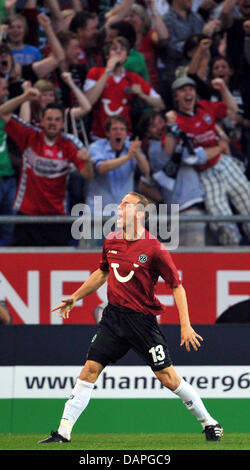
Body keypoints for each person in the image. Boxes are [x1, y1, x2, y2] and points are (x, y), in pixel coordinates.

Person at [38, 191, 223, 444]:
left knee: (168, 378)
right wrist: (75, 296)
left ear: (139, 213)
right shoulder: (112, 240)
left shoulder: (154, 248)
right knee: (90, 369)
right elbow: (102, 273)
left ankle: (210, 423)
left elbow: (177, 286)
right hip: (113, 319)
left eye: (125, 205)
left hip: (142, 322)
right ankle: (63, 432)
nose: (119, 209)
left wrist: (186, 325)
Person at [0, 90, 93, 247]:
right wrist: (23, 97)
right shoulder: (29, 136)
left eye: (57, 120)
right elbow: (3, 112)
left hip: (55, 217)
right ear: (41, 121)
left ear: (62, 124)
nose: (52, 123)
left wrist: (88, 161)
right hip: (26, 216)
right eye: (49, 119)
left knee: (58, 265)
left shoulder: (69, 144)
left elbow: (88, 175)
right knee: (21, 265)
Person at [167, 75, 250, 245]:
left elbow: (232, 110)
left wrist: (223, 89)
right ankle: (232, 260)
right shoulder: (176, 120)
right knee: (222, 221)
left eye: (191, 89)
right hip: (204, 174)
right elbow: (170, 151)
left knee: (247, 202)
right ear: (176, 96)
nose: (188, 93)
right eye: (183, 90)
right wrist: (170, 126)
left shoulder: (204, 107)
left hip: (224, 163)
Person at [84, 36, 164, 139]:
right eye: (114, 49)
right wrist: (108, 71)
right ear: (107, 55)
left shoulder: (133, 78)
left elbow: (160, 104)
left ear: (127, 56)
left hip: (125, 137)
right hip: (100, 137)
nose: (118, 52)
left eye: (122, 49)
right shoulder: (95, 73)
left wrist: (142, 95)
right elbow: (88, 101)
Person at [85, 115, 150, 215]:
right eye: (114, 129)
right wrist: (128, 157)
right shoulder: (96, 147)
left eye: (122, 129)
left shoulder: (132, 148)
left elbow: (146, 170)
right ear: (107, 133)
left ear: (126, 134)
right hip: (97, 212)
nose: (118, 132)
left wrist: (136, 153)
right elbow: (101, 168)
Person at [0, 73, 17, 246]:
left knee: (8, 229)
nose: (6, 92)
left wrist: (26, 100)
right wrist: (25, 96)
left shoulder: (5, 117)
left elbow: (25, 121)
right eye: (3, 88)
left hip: (8, 178)